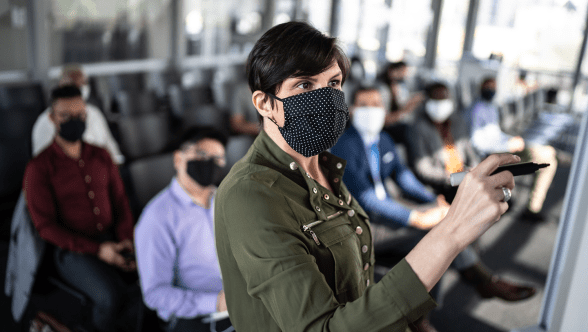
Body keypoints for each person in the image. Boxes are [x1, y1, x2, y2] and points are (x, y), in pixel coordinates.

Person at [215, 21, 528, 332]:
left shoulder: (326, 167)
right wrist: (452, 230)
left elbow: (356, 286)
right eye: (305, 85)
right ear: (265, 103)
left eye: (334, 83)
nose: (325, 97)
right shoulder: (251, 195)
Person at [331, 86, 536, 332]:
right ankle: (473, 285)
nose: (371, 111)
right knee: (437, 234)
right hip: (360, 225)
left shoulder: (383, 140)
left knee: (442, 224)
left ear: (385, 110)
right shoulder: (344, 145)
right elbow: (366, 199)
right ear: (352, 110)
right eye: (364, 105)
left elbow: (403, 176)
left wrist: (432, 200)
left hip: (388, 212)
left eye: (376, 105)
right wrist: (416, 217)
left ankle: (432, 310)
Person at [23, 85, 141, 332]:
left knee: (147, 281)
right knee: (111, 296)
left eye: (81, 115)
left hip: (112, 238)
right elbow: (45, 227)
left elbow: (120, 202)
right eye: (66, 115)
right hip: (71, 251)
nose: (75, 121)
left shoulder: (101, 156)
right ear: (52, 118)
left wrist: (125, 238)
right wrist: (99, 250)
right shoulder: (39, 167)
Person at [135, 127, 233, 332]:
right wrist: (215, 302)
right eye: (202, 154)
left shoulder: (225, 200)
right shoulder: (157, 217)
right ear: (178, 158)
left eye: (218, 158)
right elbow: (155, 294)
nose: (210, 163)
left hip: (239, 300)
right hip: (197, 315)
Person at [470, 77, 558, 221]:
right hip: (492, 155)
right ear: (481, 87)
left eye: (493, 86)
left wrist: (509, 139)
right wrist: (506, 145)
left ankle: (533, 207)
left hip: (502, 148)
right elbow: (477, 143)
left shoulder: (490, 107)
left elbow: (495, 134)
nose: (491, 90)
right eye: (488, 86)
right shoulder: (475, 110)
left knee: (548, 157)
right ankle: (533, 207)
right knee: (547, 159)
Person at [31, 64, 124, 164]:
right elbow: (44, 163)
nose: (80, 87)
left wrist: (115, 163)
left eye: (83, 83)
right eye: (74, 84)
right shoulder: (46, 121)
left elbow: (109, 144)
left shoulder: (94, 112)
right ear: (62, 86)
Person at [412, 82, 480, 202]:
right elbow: (422, 168)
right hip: (444, 183)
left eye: (444, 98)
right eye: (436, 99)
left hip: (464, 174)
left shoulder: (456, 122)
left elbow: (468, 149)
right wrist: (450, 176)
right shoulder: (418, 128)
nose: (440, 103)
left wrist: (474, 168)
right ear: (426, 101)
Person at [381, 61, 425, 146]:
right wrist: (407, 109)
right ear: (391, 71)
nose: (403, 75)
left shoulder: (399, 86)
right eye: (401, 71)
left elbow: (401, 103)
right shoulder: (383, 90)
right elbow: (385, 121)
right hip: (387, 128)